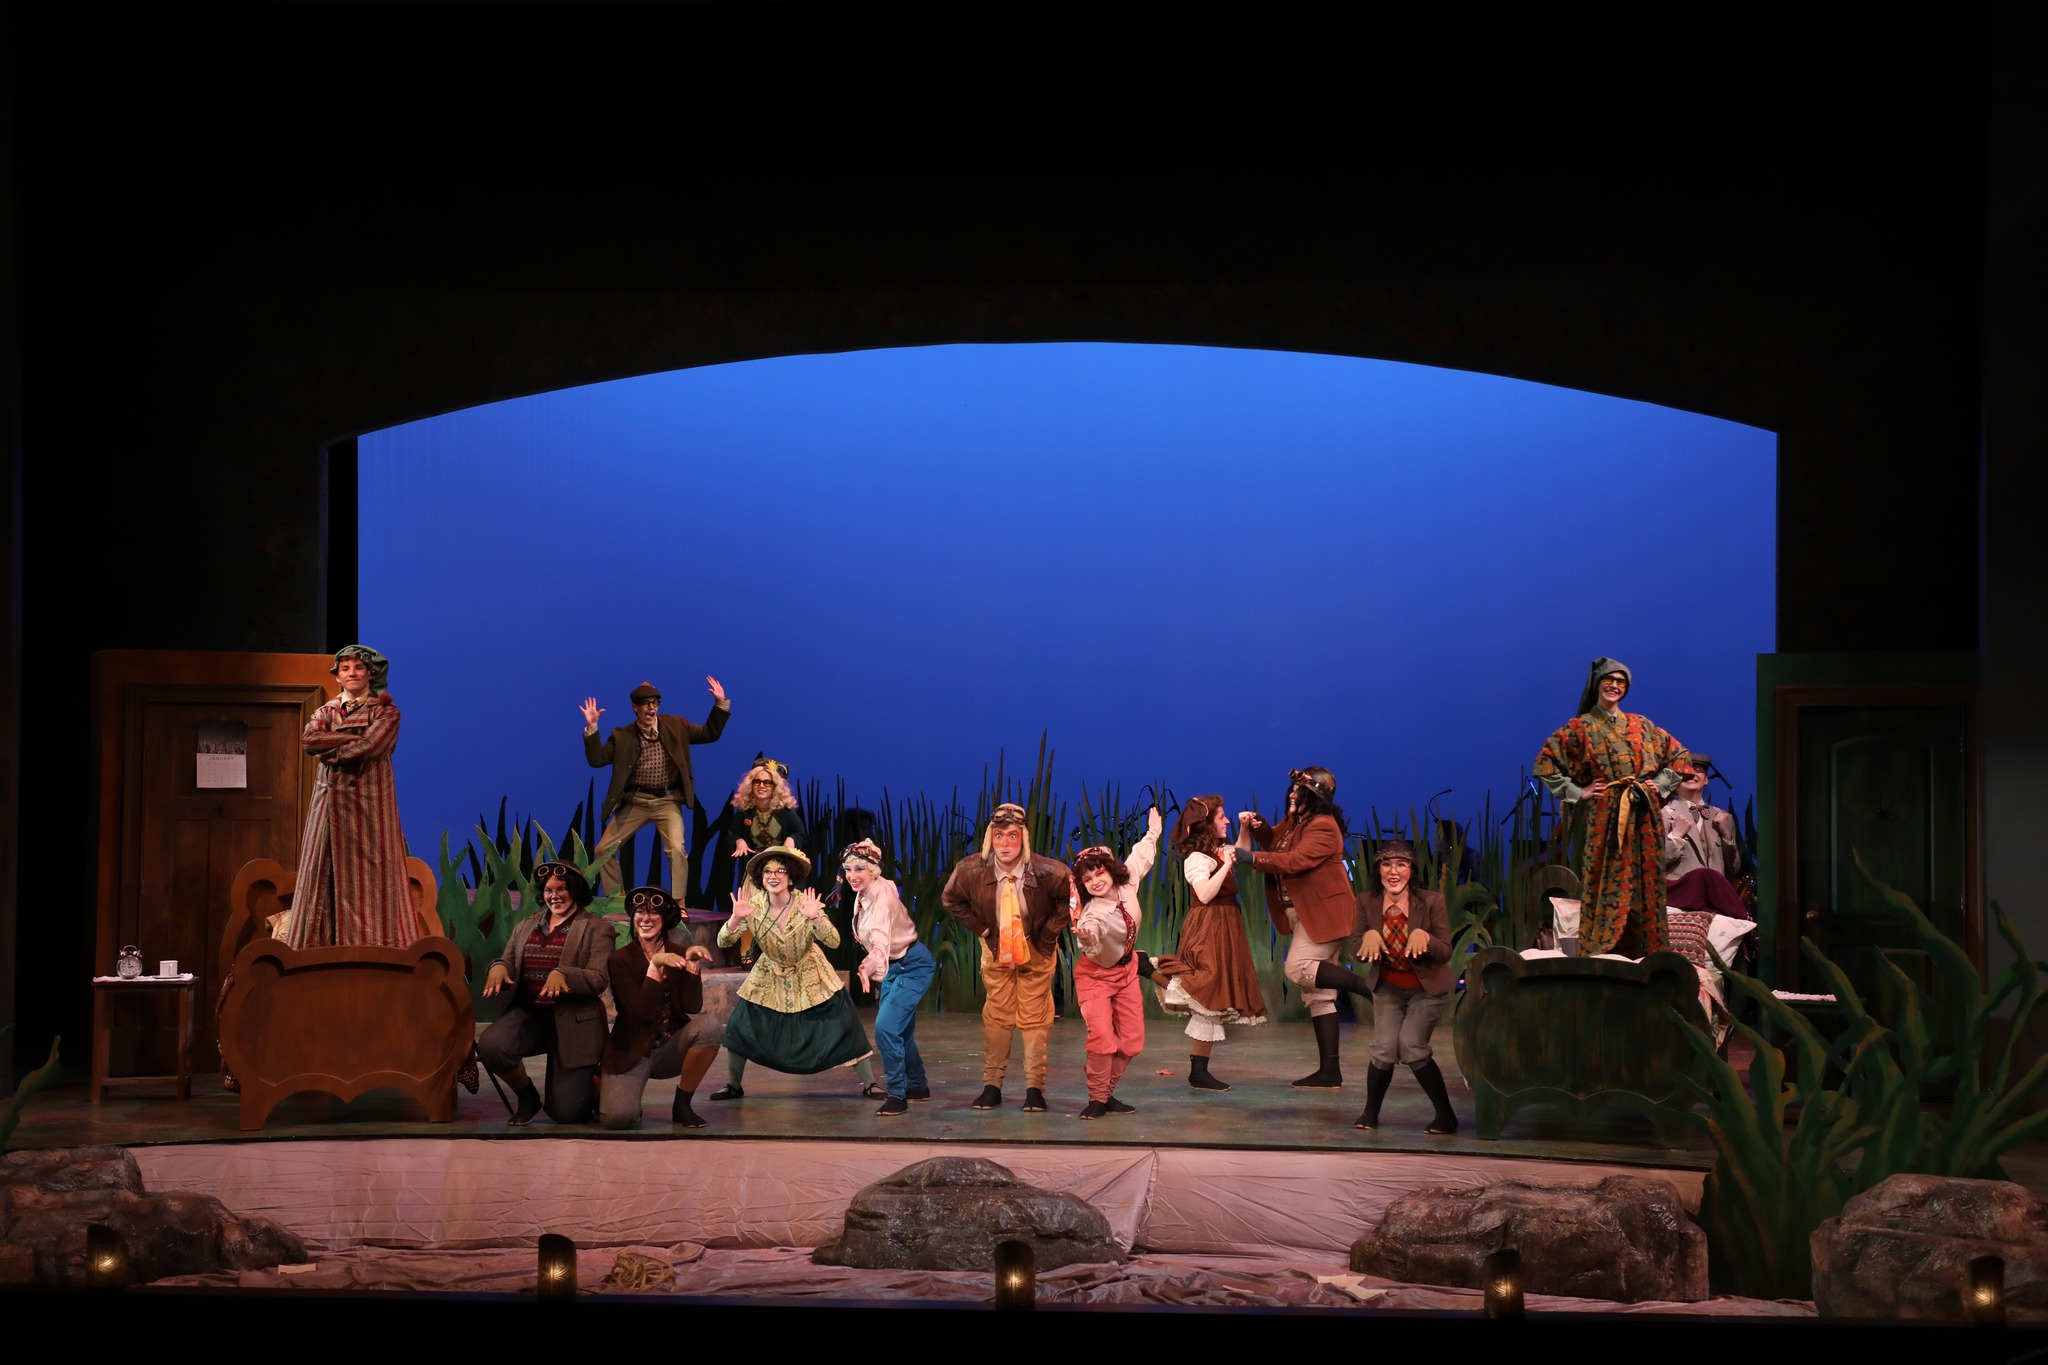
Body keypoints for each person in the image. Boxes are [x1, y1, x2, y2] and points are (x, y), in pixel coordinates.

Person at [1533, 657, 1691, 957]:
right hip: (1604, 816)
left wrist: (1660, 784)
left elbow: (1680, 756)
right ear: (1597, 683)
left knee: (1646, 881)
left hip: (1643, 815)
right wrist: (1578, 792)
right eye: (1609, 680)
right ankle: (1600, 951)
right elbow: (1544, 764)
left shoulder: (1641, 724)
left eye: (1621, 682)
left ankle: (1648, 954)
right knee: (1603, 878)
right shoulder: (1580, 727)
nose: (1615, 686)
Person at [1239, 767, 1376, 1088]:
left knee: (1298, 968)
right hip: (1304, 914)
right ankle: (1330, 1072)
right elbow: (1277, 844)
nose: (1291, 794)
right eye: (1291, 789)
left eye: (1298, 791)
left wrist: (1250, 857)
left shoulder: (1323, 826)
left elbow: (1295, 860)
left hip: (1325, 914)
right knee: (1319, 996)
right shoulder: (1297, 822)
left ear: (1314, 797)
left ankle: (1369, 987)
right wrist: (1261, 828)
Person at [711, 847, 876, 1100]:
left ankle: (870, 1083)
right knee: (739, 1027)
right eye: (768, 871)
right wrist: (734, 919)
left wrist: (815, 918)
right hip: (769, 974)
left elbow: (834, 941)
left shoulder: (804, 902)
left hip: (810, 973)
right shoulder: (752, 906)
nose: (773, 876)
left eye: (780, 870)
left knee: (846, 1023)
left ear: (790, 877)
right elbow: (723, 942)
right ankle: (733, 1084)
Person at [941, 802, 1074, 1113]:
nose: (1005, 844)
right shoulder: (971, 870)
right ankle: (992, 1086)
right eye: (999, 836)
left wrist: (1048, 934)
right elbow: (951, 899)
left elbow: (1071, 899)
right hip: (996, 950)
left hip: (1035, 950)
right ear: (990, 837)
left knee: (1035, 1019)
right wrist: (982, 930)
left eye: (1012, 836)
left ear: (1023, 837)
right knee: (998, 1017)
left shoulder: (1049, 871)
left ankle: (1034, 1089)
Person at [284, 645, 418, 949]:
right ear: (338, 676)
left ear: (371, 673)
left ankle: (372, 948)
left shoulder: (385, 711)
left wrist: (331, 751)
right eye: (345, 669)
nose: (352, 673)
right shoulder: (326, 711)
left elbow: (372, 746)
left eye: (358, 668)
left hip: (368, 807)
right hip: (328, 807)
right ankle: (317, 950)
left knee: (371, 877)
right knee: (320, 873)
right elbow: (309, 741)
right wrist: (353, 737)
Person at [478, 860, 614, 1125]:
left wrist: (564, 974)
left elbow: (599, 978)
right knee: (492, 1046)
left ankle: (594, 1082)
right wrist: (498, 967)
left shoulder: (597, 929)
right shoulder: (526, 926)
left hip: (573, 1023)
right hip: (530, 1017)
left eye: (562, 889)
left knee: (567, 1114)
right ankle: (527, 1096)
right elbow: (509, 960)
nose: (555, 896)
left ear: (574, 890)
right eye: (549, 890)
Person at [581, 677, 730, 895]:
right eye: (645, 704)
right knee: (603, 849)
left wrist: (720, 703)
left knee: (676, 849)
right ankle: (616, 899)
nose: (651, 708)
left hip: (667, 801)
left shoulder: (677, 726)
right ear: (635, 707)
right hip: (636, 802)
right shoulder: (622, 736)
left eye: (655, 703)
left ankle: (678, 902)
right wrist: (592, 728)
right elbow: (597, 760)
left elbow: (710, 733)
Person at [1349, 840, 1458, 1134]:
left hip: (1426, 989)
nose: (1393, 871)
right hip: (1388, 987)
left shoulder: (1431, 902)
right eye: (1386, 864)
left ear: (1412, 870)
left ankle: (1446, 1116)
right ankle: (1370, 1113)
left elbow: (1445, 951)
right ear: (1378, 870)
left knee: (1411, 1046)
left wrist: (1427, 939)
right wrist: (1367, 938)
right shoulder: (1366, 901)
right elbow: (1356, 949)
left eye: (1401, 864)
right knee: (1384, 1048)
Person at [1161, 796, 1269, 1090]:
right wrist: (1225, 866)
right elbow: (1205, 894)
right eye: (1221, 817)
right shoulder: (1197, 859)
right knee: (1206, 990)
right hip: (1208, 926)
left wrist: (1245, 829)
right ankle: (1151, 969)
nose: (1227, 821)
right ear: (1207, 824)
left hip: (1225, 925)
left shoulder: (1216, 852)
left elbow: (1241, 852)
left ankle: (1199, 1072)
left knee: (1214, 994)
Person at [598, 885, 726, 1130]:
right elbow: (642, 1012)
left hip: (669, 1047)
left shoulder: (679, 952)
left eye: (654, 913)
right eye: (640, 912)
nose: (646, 919)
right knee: (618, 1119)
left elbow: (692, 1006)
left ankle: (682, 1104)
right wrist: (655, 966)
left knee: (710, 1027)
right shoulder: (620, 960)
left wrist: (692, 967)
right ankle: (606, 1091)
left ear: (665, 919)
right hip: (631, 1051)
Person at [1069, 808, 1164, 1119]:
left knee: (1132, 1041)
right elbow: (1092, 935)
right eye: (1087, 879)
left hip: (1126, 972)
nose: (1095, 881)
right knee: (1102, 1039)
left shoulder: (1127, 884)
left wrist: (1153, 832)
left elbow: (1141, 856)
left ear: (1110, 870)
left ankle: (1105, 1093)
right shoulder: (1093, 912)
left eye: (1099, 873)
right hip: (1095, 976)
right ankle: (1097, 1099)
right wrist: (1087, 937)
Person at [844, 839, 936, 1117]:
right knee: (900, 1031)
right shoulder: (874, 887)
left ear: (873, 870)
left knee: (885, 1028)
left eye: (860, 869)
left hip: (912, 965)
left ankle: (898, 1095)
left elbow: (880, 941)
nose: (852, 875)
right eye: (848, 869)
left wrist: (869, 964)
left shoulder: (882, 902)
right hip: (898, 966)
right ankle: (918, 1085)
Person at [705, 755, 806, 910]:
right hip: (756, 869)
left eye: (767, 782)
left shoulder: (785, 813)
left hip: (782, 868)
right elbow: (733, 833)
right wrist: (739, 841)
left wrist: (791, 840)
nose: (761, 786)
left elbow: (800, 833)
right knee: (753, 909)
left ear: (775, 786)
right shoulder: (745, 813)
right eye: (757, 782)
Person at [1662, 752, 1742, 882]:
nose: (1692, 774)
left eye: (1698, 771)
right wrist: (1675, 837)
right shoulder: (1664, 814)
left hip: (1714, 892)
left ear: (1706, 780)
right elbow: (1653, 866)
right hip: (1681, 893)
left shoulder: (1723, 817)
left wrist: (1727, 836)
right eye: (1685, 771)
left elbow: (1733, 871)